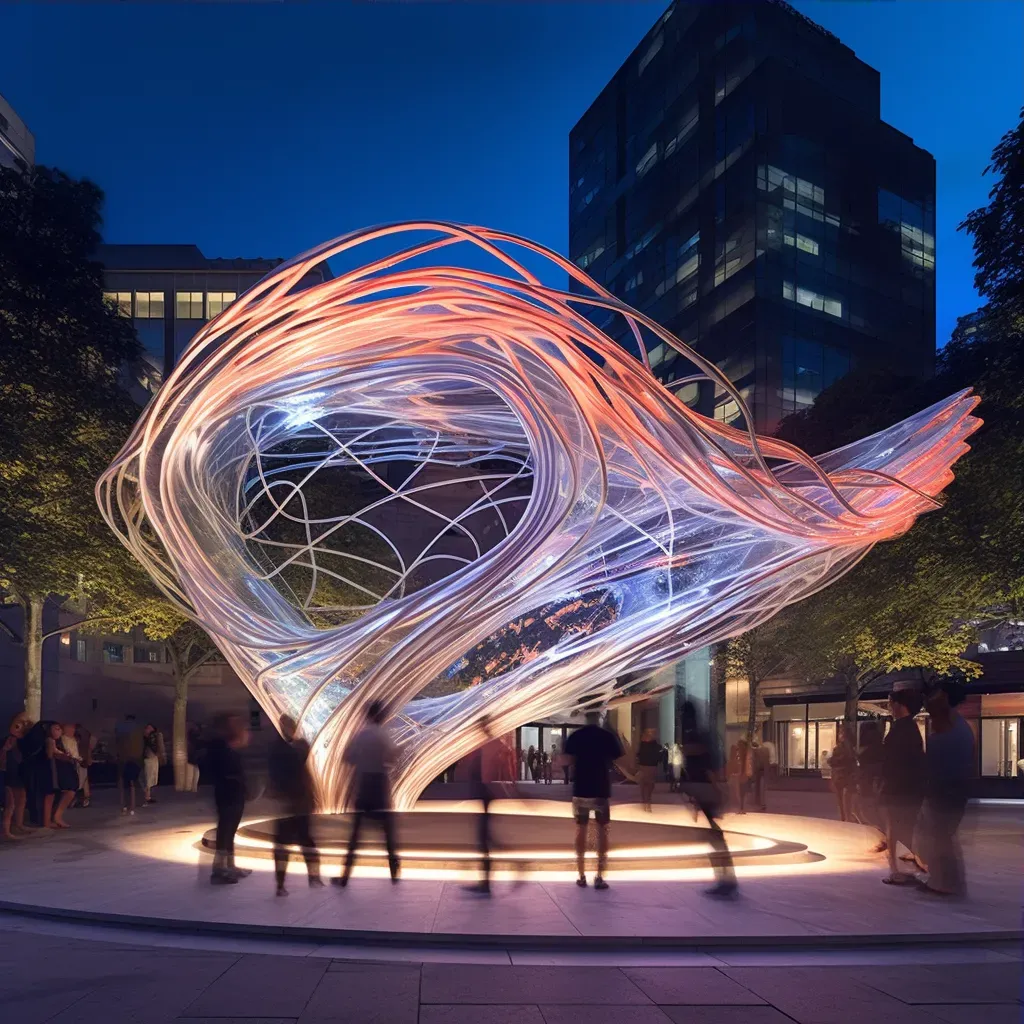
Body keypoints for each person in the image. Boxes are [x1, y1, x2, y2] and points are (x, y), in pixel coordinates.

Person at [916, 679, 975, 896]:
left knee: (939, 838)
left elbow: (945, 765)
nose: (932, 699)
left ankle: (946, 884)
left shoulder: (951, 726)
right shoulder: (954, 725)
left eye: (937, 694)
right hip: (946, 792)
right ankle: (944, 881)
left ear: (946, 698)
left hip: (945, 793)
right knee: (940, 838)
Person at [334, 700, 400, 887]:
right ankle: (394, 871)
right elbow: (391, 757)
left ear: (368, 715)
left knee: (355, 834)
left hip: (364, 785)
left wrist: (362, 761)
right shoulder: (383, 735)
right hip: (379, 785)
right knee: (388, 833)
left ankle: (345, 876)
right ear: (381, 715)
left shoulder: (362, 735)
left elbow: (347, 756)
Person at [679, 701, 737, 898]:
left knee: (714, 836)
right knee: (713, 835)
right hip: (704, 789)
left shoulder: (695, 736)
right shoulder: (702, 734)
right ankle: (725, 879)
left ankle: (726, 880)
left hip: (705, 789)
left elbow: (704, 766)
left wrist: (715, 789)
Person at [563, 710, 627, 890]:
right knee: (602, 832)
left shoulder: (576, 736)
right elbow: (620, 760)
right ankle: (599, 876)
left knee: (580, 830)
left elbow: (566, 760)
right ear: (599, 718)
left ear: (585, 717)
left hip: (581, 790)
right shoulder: (607, 737)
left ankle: (581, 875)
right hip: (600, 790)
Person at [268, 714, 322, 896]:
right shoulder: (287, 748)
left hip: (293, 801)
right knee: (292, 841)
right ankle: (285, 882)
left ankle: (308, 877)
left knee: (298, 840)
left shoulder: (289, 747)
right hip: (292, 801)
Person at [879, 686, 927, 885]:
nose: (890, 706)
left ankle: (899, 871)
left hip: (899, 789)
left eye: (891, 703)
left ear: (900, 705)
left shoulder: (902, 729)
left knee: (896, 831)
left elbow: (892, 761)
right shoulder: (910, 728)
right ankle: (905, 870)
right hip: (908, 789)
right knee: (903, 830)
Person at [206, 713, 251, 884]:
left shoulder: (228, 748)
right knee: (225, 829)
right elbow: (223, 771)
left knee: (230, 830)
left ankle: (230, 866)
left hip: (234, 793)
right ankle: (219, 870)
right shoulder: (220, 747)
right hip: (227, 794)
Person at [465, 717, 496, 895]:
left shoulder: (487, 744)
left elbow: (486, 774)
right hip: (484, 795)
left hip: (484, 794)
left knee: (484, 839)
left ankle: (485, 884)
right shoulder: (486, 742)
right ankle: (484, 882)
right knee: (486, 838)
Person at [855, 721, 886, 851]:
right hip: (871, 783)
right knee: (868, 810)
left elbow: (867, 766)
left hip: (869, 783)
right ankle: (884, 836)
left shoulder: (869, 749)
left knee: (867, 810)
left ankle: (884, 837)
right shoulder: (879, 747)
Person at [43, 723, 79, 829]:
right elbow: (50, 755)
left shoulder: (60, 741)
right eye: (56, 729)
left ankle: (54, 818)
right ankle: (48, 822)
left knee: (57, 794)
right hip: (52, 771)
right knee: (51, 795)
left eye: (59, 729)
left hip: (60, 770)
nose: (59, 731)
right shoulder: (50, 741)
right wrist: (62, 755)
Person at [1, 713, 30, 839]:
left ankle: (19, 824)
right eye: (18, 722)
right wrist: (5, 749)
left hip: (19, 772)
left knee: (21, 799)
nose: (20, 725)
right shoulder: (8, 739)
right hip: (9, 773)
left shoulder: (23, 741)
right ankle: (6, 831)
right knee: (10, 803)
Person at [115, 714, 144, 816]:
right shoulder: (139, 729)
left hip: (124, 759)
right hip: (136, 759)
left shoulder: (120, 727)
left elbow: (118, 743)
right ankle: (133, 806)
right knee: (133, 783)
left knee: (123, 783)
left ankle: (124, 806)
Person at [828, 725, 858, 822]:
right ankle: (846, 818)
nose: (839, 734)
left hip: (841, 775)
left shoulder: (843, 746)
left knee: (842, 800)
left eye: (841, 732)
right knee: (845, 800)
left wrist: (832, 760)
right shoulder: (851, 747)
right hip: (844, 775)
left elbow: (837, 760)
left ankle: (845, 819)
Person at [636, 728, 661, 812]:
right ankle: (646, 802)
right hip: (648, 766)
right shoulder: (651, 745)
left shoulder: (650, 745)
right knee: (646, 784)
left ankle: (646, 802)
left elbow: (639, 755)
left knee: (647, 784)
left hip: (648, 766)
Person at [727, 738, 752, 813]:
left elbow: (747, 765)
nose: (739, 747)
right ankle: (741, 807)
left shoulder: (747, 755)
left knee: (743, 791)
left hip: (745, 775)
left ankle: (742, 807)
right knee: (741, 791)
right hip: (741, 775)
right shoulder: (740, 755)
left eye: (740, 745)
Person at [142, 724, 163, 804]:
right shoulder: (146, 739)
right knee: (148, 779)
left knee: (151, 778)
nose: (147, 729)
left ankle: (148, 796)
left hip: (152, 758)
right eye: (147, 728)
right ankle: (147, 797)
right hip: (148, 759)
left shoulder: (153, 738)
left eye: (149, 728)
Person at [750, 740, 770, 811]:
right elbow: (767, 761)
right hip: (764, 771)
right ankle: (762, 803)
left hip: (758, 771)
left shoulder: (755, 751)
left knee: (758, 787)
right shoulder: (766, 749)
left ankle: (760, 803)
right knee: (762, 788)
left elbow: (755, 762)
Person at [185, 724, 202, 792]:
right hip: (193, 753)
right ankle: (193, 786)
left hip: (192, 753)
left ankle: (192, 786)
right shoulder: (194, 735)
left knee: (194, 769)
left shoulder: (191, 735)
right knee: (195, 769)